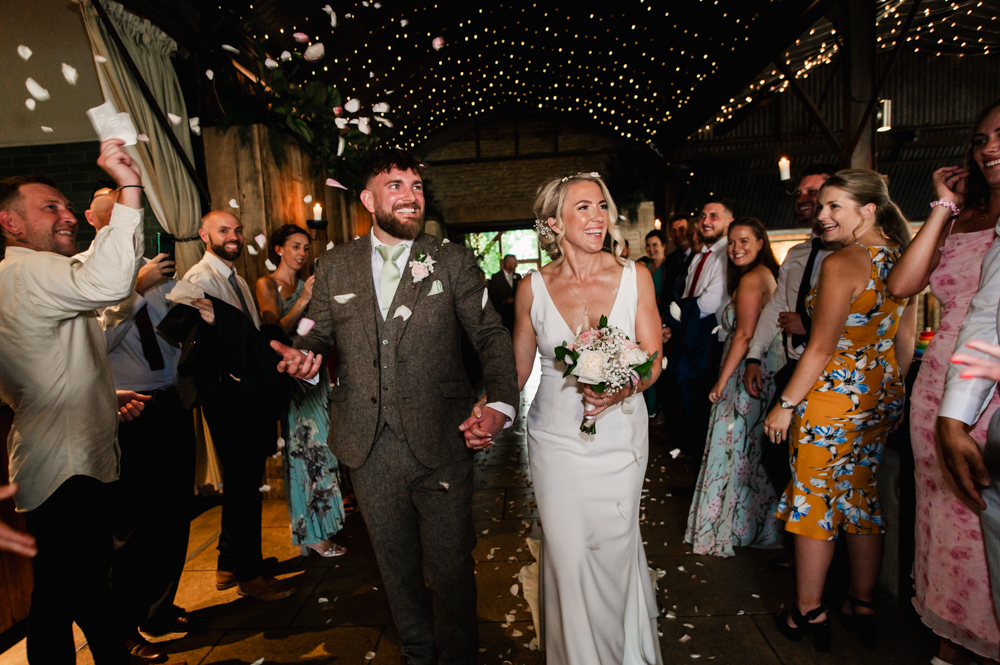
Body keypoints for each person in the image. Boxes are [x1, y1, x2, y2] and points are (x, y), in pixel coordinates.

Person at [270, 148, 519, 664]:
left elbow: (492, 336)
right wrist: (306, 354)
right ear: (368, 199)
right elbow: (317, 329)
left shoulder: (451, 260)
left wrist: (499, 402)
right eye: (396, 186)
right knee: (395, 567)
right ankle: (417, 654)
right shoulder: (335, 266)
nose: (411, 195)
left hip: (442, 438)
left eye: (416, 186)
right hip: (367, 444)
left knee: (451, 567)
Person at [0, 142, 169, 665]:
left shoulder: (30, 276)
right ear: (10, 222)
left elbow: (67, 346)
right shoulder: (26, 271)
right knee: (61, 595)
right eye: (49, 207)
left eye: (65, 205)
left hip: (67, 457)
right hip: (65, 467)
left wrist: (101, 394)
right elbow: (109, 280)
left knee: (80, 588)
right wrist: (130, 188)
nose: (67, 214)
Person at [508, 173, 663, 663]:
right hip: (555, 442)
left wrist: (623, 388)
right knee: (570, 556)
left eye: (602, 205)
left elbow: (654, 358)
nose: (598, 216)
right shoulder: (531, 288)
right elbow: (516, 372)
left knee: (614, 552)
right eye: (583, 208)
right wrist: (484, 412)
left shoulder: (634, 276)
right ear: (553, 223)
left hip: (620, 439)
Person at [764, 170, 916, 652]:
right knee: (862, 499)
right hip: (879, 396)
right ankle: (863, 602)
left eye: (835, 207)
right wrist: (891, 393)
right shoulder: (904, 256)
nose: (824, 216)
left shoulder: (843, 261)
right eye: (822, 206)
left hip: (830, 399)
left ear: (867, 210)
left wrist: (785, 405)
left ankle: (807, 609)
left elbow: (820, 346)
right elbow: (904, 341)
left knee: (813, 501)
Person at [76, 184, 204, 660]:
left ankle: (158, 608)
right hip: (129, 410)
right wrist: (136, 291)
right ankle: (121, 627)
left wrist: (195, 311)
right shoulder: (84, 273)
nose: (122, 223)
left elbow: (175, 334)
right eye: (111, 215)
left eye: (128, 213)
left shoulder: (156, 268)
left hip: (171, 402)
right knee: (131, 525)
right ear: (94, 219)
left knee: (173, 513)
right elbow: (94, 345)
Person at [180, 210, 294, 602]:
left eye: (237, 230)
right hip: (226, 396)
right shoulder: (199, 280)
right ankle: (249, 574)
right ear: (203, 235)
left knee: (244, 483)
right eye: (223, 230)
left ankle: (229, 562)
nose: (233, 236)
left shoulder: (238, 278)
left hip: (248, 391)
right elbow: (204, 344)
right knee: (245, 485)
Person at [927, 99, 1000, 663]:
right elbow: (908, 286)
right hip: (939, 384)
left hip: (986, 389)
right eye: (980, 139)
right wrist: (944, 206)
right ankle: (952, 639)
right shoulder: (964, 215)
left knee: (982, 524)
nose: (988, 147)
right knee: (947, 524)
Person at [744, 164, 837, 572]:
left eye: (813, 192)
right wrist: (753, 354)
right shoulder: (799, 254)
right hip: (795, 367)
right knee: (776, 454)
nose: (804, 199)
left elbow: (866, 317)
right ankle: (801, 545)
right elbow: (776, 309)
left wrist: (811, 323)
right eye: (800, 193)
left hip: (835, 376)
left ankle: (826, 559)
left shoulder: (851, 255)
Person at [685, 218, 782, 556]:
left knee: (735, 448)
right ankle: (750, 524)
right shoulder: (756, 276)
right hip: (750, 368)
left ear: (760, 243)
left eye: (745, 241)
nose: (738, 248)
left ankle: (738, 527)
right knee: (746, 450)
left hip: (745, 373)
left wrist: (722, 380)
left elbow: (744, 335)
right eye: (733, 242)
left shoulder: (754, 279)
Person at [256, 224, 347, 559]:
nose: (301, 254)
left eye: (306, 249)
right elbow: (274, 328)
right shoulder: (267, 284)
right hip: (290, 378)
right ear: (278, 249)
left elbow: (307, 331)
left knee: (324, 450)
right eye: (295, 247)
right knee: (305, 452)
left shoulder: (307, 283)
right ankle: (311, 533)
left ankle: (323, 525)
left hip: (315, 373)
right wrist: (306, 299)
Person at [669, 199, 735, 465]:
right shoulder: (701, 257)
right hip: (690, 338)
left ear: (729, 221)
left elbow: (709, 303)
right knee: (690, 408)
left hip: (709, 340)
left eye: (714, 216)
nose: (706, 221)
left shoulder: (725, 254)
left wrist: (680, 312)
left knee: (704, 409)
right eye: (704, 215)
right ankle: (697, 469)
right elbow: (687, 297)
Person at [643, 228, 669, 421]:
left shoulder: (669, 267)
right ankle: (648, 411)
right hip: (643, 321)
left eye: (655, 245)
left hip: (663, 322)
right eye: (649, 245)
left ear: (663, 246)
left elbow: (667, 298)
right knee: (645, 363)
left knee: (661, 365)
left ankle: (660, 413)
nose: (651, 249)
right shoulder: (643, 267)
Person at [489, 253, 520, 333]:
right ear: (507, 264)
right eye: (514, 263)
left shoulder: (518, 276)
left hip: (515, 313)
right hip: (502, 313)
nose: (516, 265)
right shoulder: (496, 277)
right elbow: (491, 294)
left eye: (516, 263)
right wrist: (504, 300)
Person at [662, 213, 692, 300]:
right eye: (673, 230)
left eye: (681, 229)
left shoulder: (698, 257)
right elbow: (667, 291)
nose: (677, 234)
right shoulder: (670, 259)